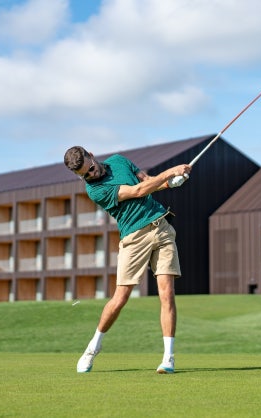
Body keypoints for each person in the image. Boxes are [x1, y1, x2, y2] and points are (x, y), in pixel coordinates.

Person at [64, 146, 191, 374]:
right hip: (133, 238)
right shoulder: (96, 190)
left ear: (92, 155)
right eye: (84, 175)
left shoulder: (120, 161)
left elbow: (148, 181)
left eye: (90, 169)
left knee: (166, 294)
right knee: (120, 297)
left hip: (161, 227)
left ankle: (168, 358)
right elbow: (139, 191)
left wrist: (171, 183)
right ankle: (94, 346)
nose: (90, 175)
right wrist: (171, 172)